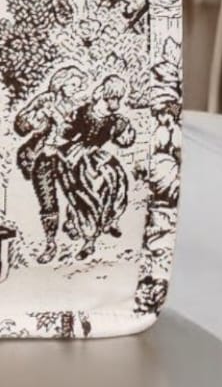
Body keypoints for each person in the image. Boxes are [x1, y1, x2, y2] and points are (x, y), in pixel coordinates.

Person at [56, 74, 135, 258]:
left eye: (118, 98)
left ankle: (111, 220)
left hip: (97, 156)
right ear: (104, 95)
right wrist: (66, 127)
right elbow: (67, 132)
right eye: (112, 97)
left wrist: (127, 133)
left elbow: (125, 141)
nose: (115, 102)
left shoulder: (116, 120)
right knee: (85, 196)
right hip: (78, 156)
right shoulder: (84, 112)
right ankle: (88, 240)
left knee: (118, 180)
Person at [13, 67, 86, 263]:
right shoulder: (45, 99)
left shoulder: (77, 105)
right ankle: (51, 242)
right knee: (47, 200)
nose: (76, 89)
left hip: (66, 156)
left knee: (75, 192)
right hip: (41, 156)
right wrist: (36, 118)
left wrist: (61, 121)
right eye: (73, 84)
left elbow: (78, 132)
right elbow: (20, 125)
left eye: (78, 86)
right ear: (61, 83)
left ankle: (71, 222)